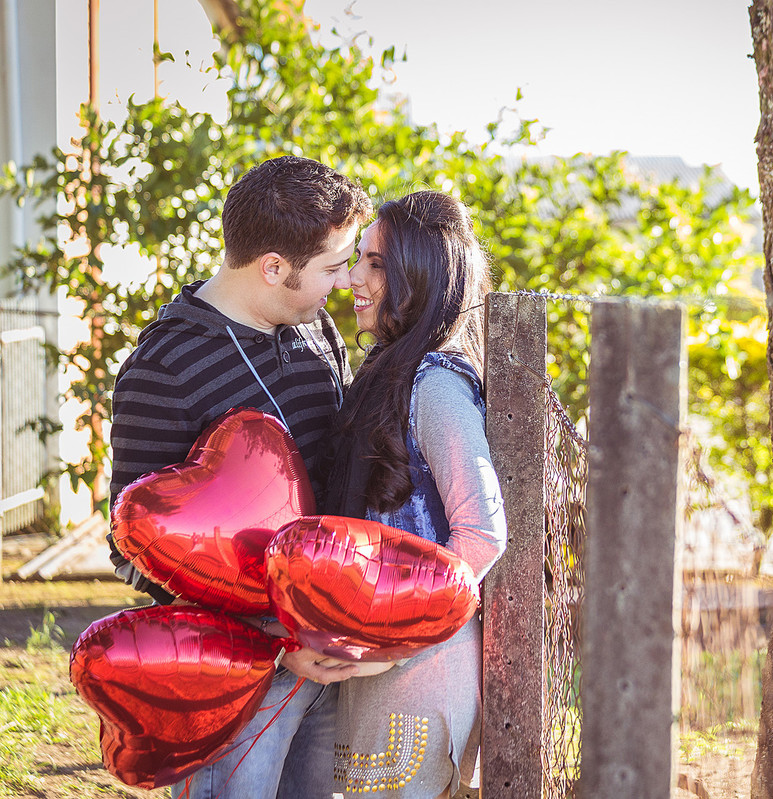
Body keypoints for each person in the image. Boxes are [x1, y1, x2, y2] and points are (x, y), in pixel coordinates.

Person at [106, 155, 373, 799]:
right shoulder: (162, 367)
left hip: (330, 653)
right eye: (333, 267)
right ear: (274, 267)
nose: (344, 282)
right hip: (237, 675)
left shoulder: (315, 328)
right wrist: (274, 643)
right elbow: (129, 547)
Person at [321, 190, 507, 797]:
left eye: (376, 263)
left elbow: (482, 533)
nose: (355, 277)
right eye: (360, 260)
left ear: (421, 277)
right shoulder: (394, 369)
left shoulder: (436, 387)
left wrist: (396, 645)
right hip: (383, 665)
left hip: (419, 673)